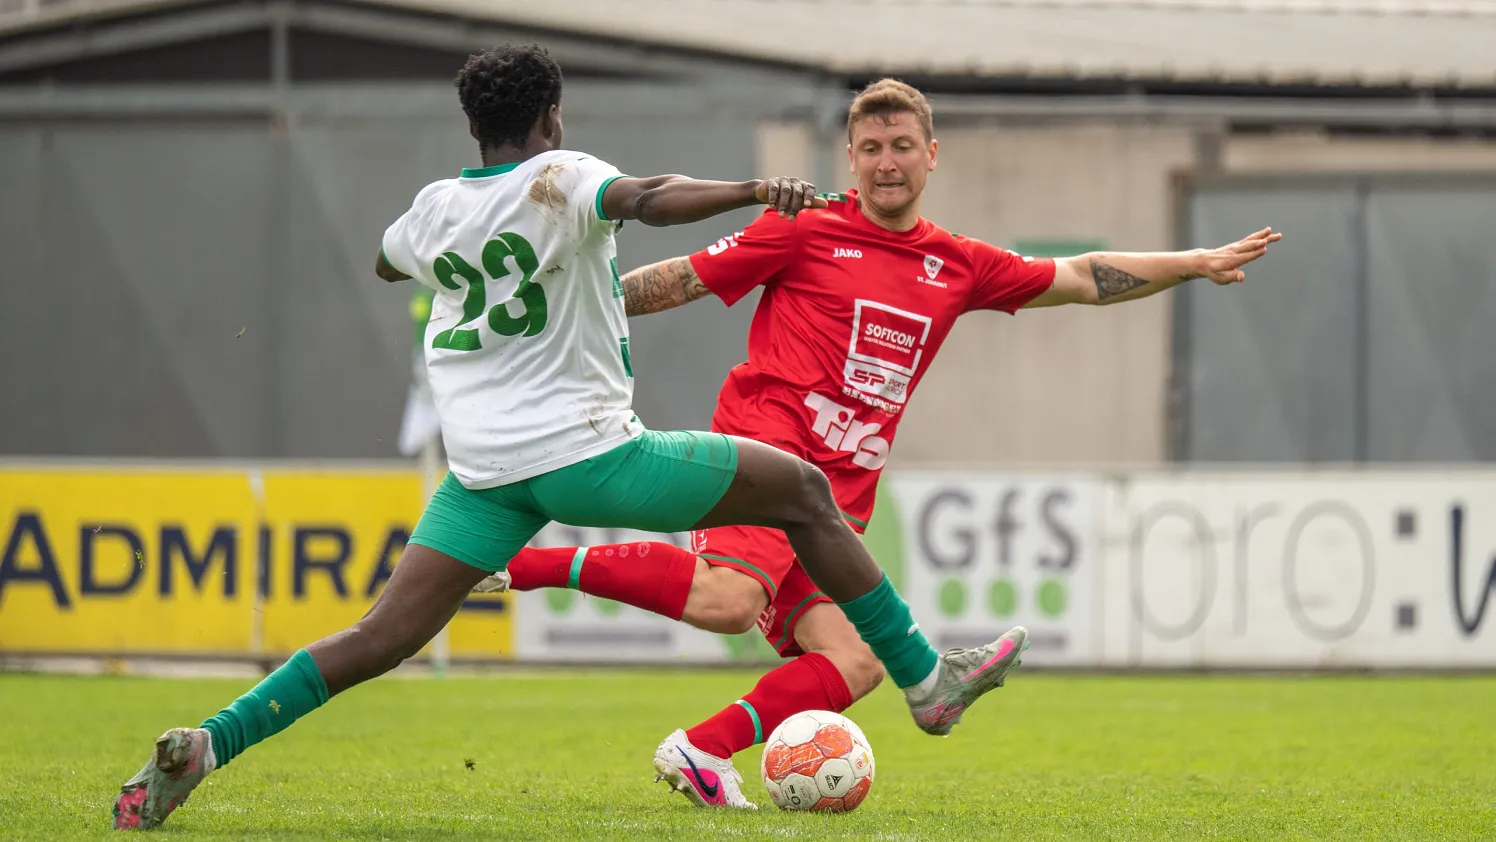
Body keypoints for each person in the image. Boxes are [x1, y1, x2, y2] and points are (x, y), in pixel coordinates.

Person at [111, 48, 1027, 830]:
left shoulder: (433, 208)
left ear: (476, 125)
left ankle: (206, 744)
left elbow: (389, 261)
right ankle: (924, 680)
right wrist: (755, 190)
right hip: (587, 457)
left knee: (380, 637)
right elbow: (653, 197)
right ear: (551, 116)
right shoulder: (564, 176)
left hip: (482, 476)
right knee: (801, 490)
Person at [473, 78, 1282, 808]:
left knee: (857, 662)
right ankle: (522, 566)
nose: (885, 163)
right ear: (850, 159)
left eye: (901, 147)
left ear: (930, 157)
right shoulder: (803, 229)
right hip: (767, 449)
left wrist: (1193, 262)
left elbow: (1080, 277)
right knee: (730, 602)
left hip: (837, 498)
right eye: (870, 149)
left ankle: (703, 750)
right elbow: (678, 279)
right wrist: (552, 311)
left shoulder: (956, 264)